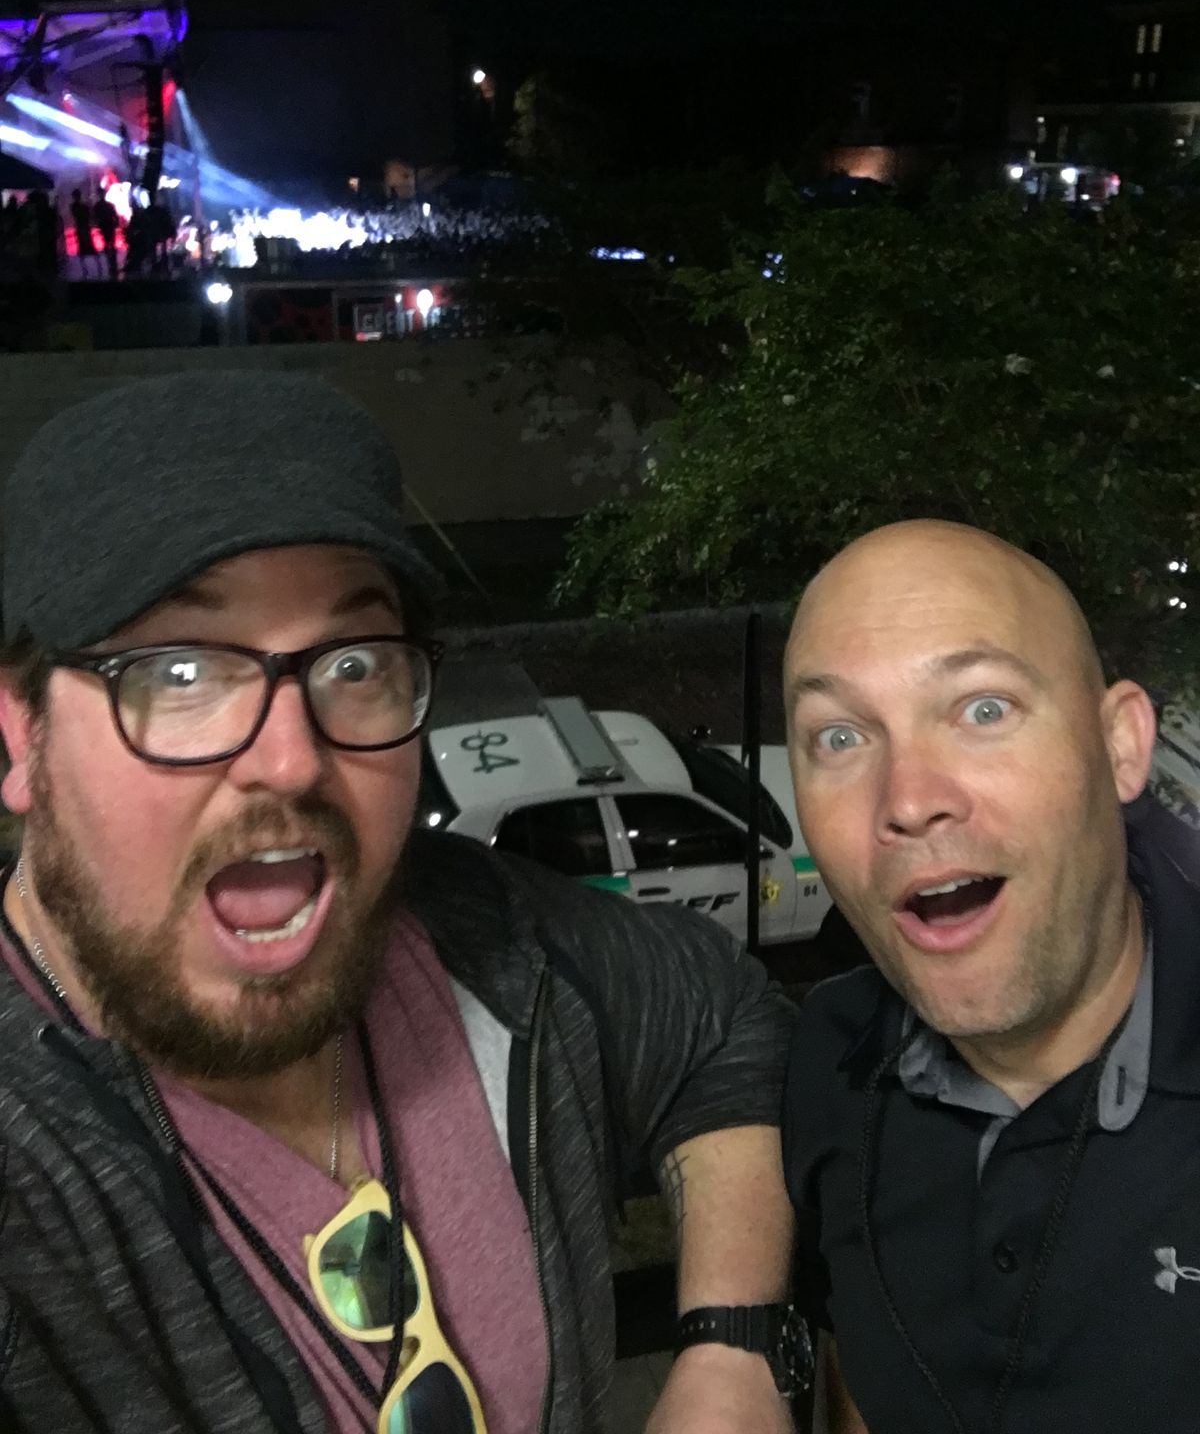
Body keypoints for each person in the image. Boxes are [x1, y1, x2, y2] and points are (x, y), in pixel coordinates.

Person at [0, 370, 802, 1434]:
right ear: (20, 732)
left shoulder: (486, 942)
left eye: (354, 663)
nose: (291, 759)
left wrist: (734, 1345)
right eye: (179, 673)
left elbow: (724, 1021)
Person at [780, 518, 1198, 1433]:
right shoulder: (829, 1057)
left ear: (1122, 746)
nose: (908, 799)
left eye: (983, 710)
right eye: (840, 736)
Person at [92, 189, 120, 281]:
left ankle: (110, 261)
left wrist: (97, 223)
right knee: (111, 242)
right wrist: (116, 223)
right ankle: (112, 262)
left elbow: (95, 217)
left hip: (105, 225)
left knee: (108, 242)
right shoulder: (108, 205)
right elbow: (114, 215)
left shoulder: (98, 206)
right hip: (109, 225)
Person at [69, 187, 96, 277]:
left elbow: (77, 215)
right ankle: (89, 265)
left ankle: (84, 267)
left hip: (81, 226)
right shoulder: (82, 206)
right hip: (83, 226)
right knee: (85, 244)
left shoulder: (76, 206)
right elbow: (87, 215)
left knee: (82, 244)